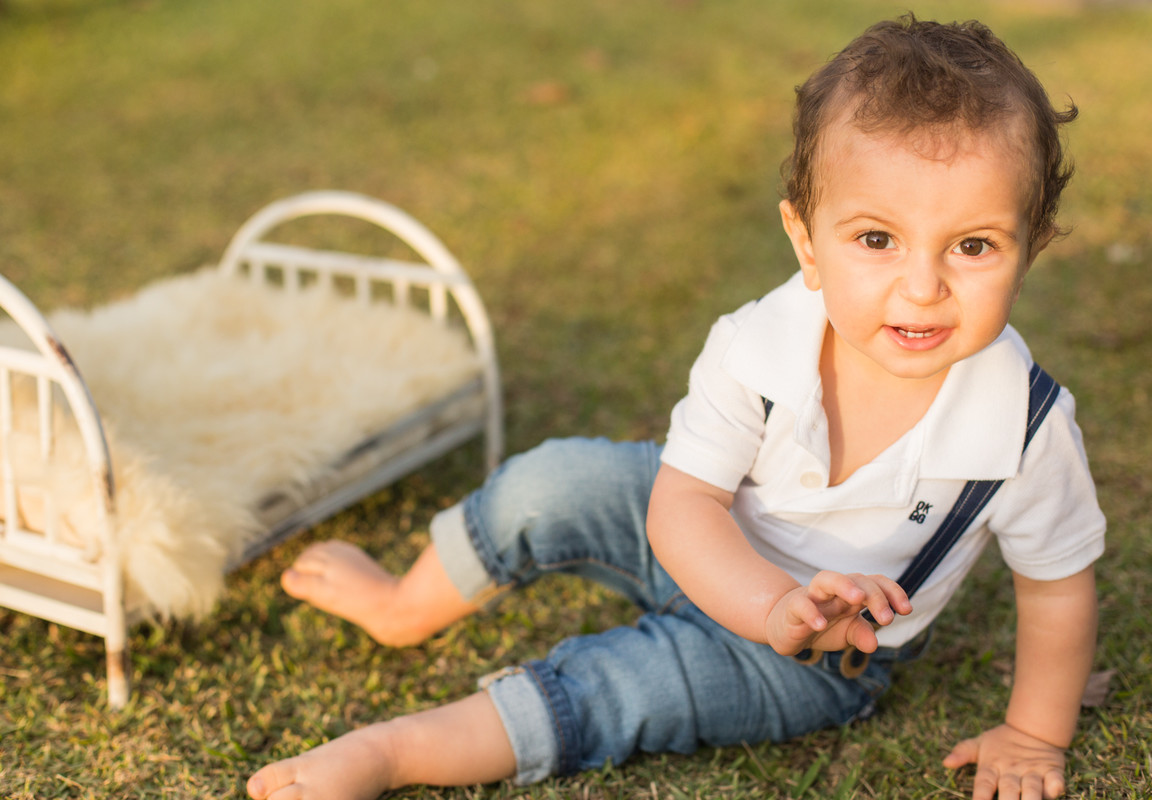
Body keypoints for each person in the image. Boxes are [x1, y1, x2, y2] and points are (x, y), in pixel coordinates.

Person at [246, 14, 1105, 800]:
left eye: (974, 246)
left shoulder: (1024, 428)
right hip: (705, 534)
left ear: (1030, 249)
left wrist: (1033, 733)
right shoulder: (757, 344)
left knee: (624, 689)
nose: (923, 286)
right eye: (876, 239)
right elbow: (683, 502)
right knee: (555, 481)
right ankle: (406, 605)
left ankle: (390, 754)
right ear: (807, 240)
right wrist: (763, 595)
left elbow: (1058, 588)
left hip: (813, 658)